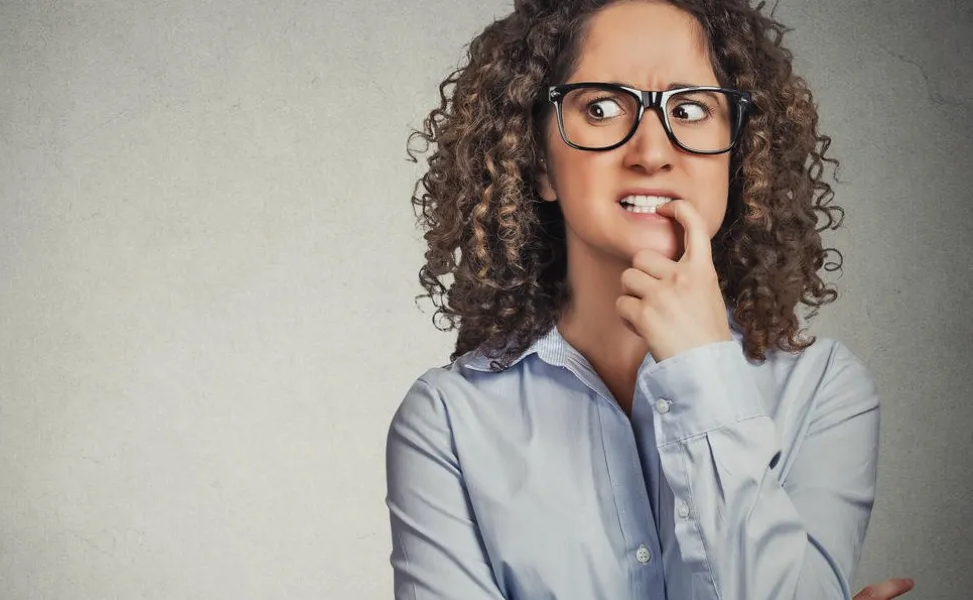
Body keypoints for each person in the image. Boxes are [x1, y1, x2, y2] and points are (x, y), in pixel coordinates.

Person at [384, 0, 915, 598]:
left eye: (691, 109)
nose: (652, 151)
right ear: (539, 165)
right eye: (603, 108)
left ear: (740, 159)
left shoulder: (826, 392)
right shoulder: (446, 423)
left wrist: (702, 371)